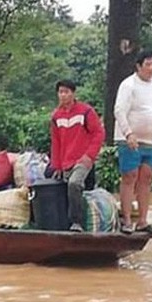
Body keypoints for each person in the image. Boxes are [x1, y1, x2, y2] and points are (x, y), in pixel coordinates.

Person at [114, 50, 152, 235]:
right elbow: (119, 110)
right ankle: (127, 220)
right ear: (138, 66)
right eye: (148, 64)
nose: (151, 68)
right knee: (129, 177)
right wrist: (128, 134)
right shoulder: (128, 85)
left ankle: (143, 220)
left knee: (146, 179)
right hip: (130, 140)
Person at [49, 80, 105, 232]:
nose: (63, 95)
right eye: (60, 92)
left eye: (66, 92)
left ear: (73, 94)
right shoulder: (56, 117)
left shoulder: (86, 112)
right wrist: (57, 166)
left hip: (82, 159)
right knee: (55, 186)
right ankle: (61, 222)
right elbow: (56, 143)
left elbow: (99, 134)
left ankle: (77, 222)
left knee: (74, 184)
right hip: (66, 161)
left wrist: (90, 156)